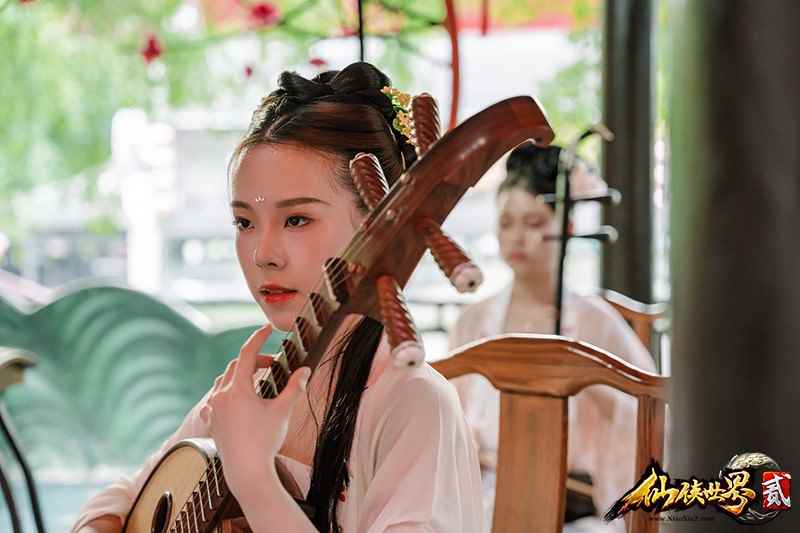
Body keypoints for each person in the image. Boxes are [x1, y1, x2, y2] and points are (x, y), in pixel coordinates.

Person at [73, 62, 483, 533]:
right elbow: (121, 500)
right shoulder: (251, 389)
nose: (263, 254)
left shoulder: (412, 404)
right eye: (245, 222)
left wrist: (254, 479)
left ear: (375, 222)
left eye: (296, 220)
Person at [448, 142, 656, 532]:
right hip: (484, 493)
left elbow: (646, 415)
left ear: (568, 228)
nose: (517, 237)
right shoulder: (473, 321)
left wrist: (591, 384)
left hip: (571, 504)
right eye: (506, 223)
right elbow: (450, 421)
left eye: (534, 223)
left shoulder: (596, 321)